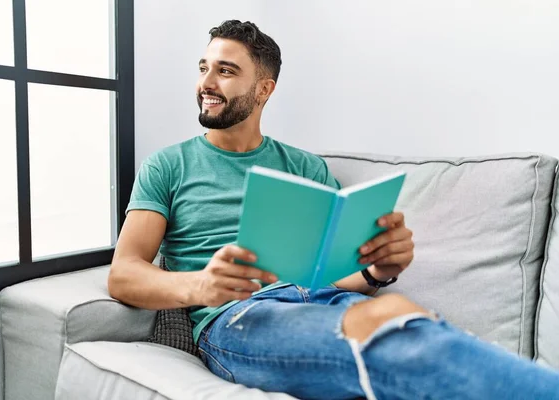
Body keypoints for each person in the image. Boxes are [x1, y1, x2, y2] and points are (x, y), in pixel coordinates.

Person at [108, 20, 559, 400]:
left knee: (400, 311)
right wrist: (200, 285)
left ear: (263, 89)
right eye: (204, 67)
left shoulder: (306, 167)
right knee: (393, 336)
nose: (206, 83)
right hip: (239, 319)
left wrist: (377, 272)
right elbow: (123, 274)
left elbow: (328, 274)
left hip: (324, 300)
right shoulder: (168, 164)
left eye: (225, 71)